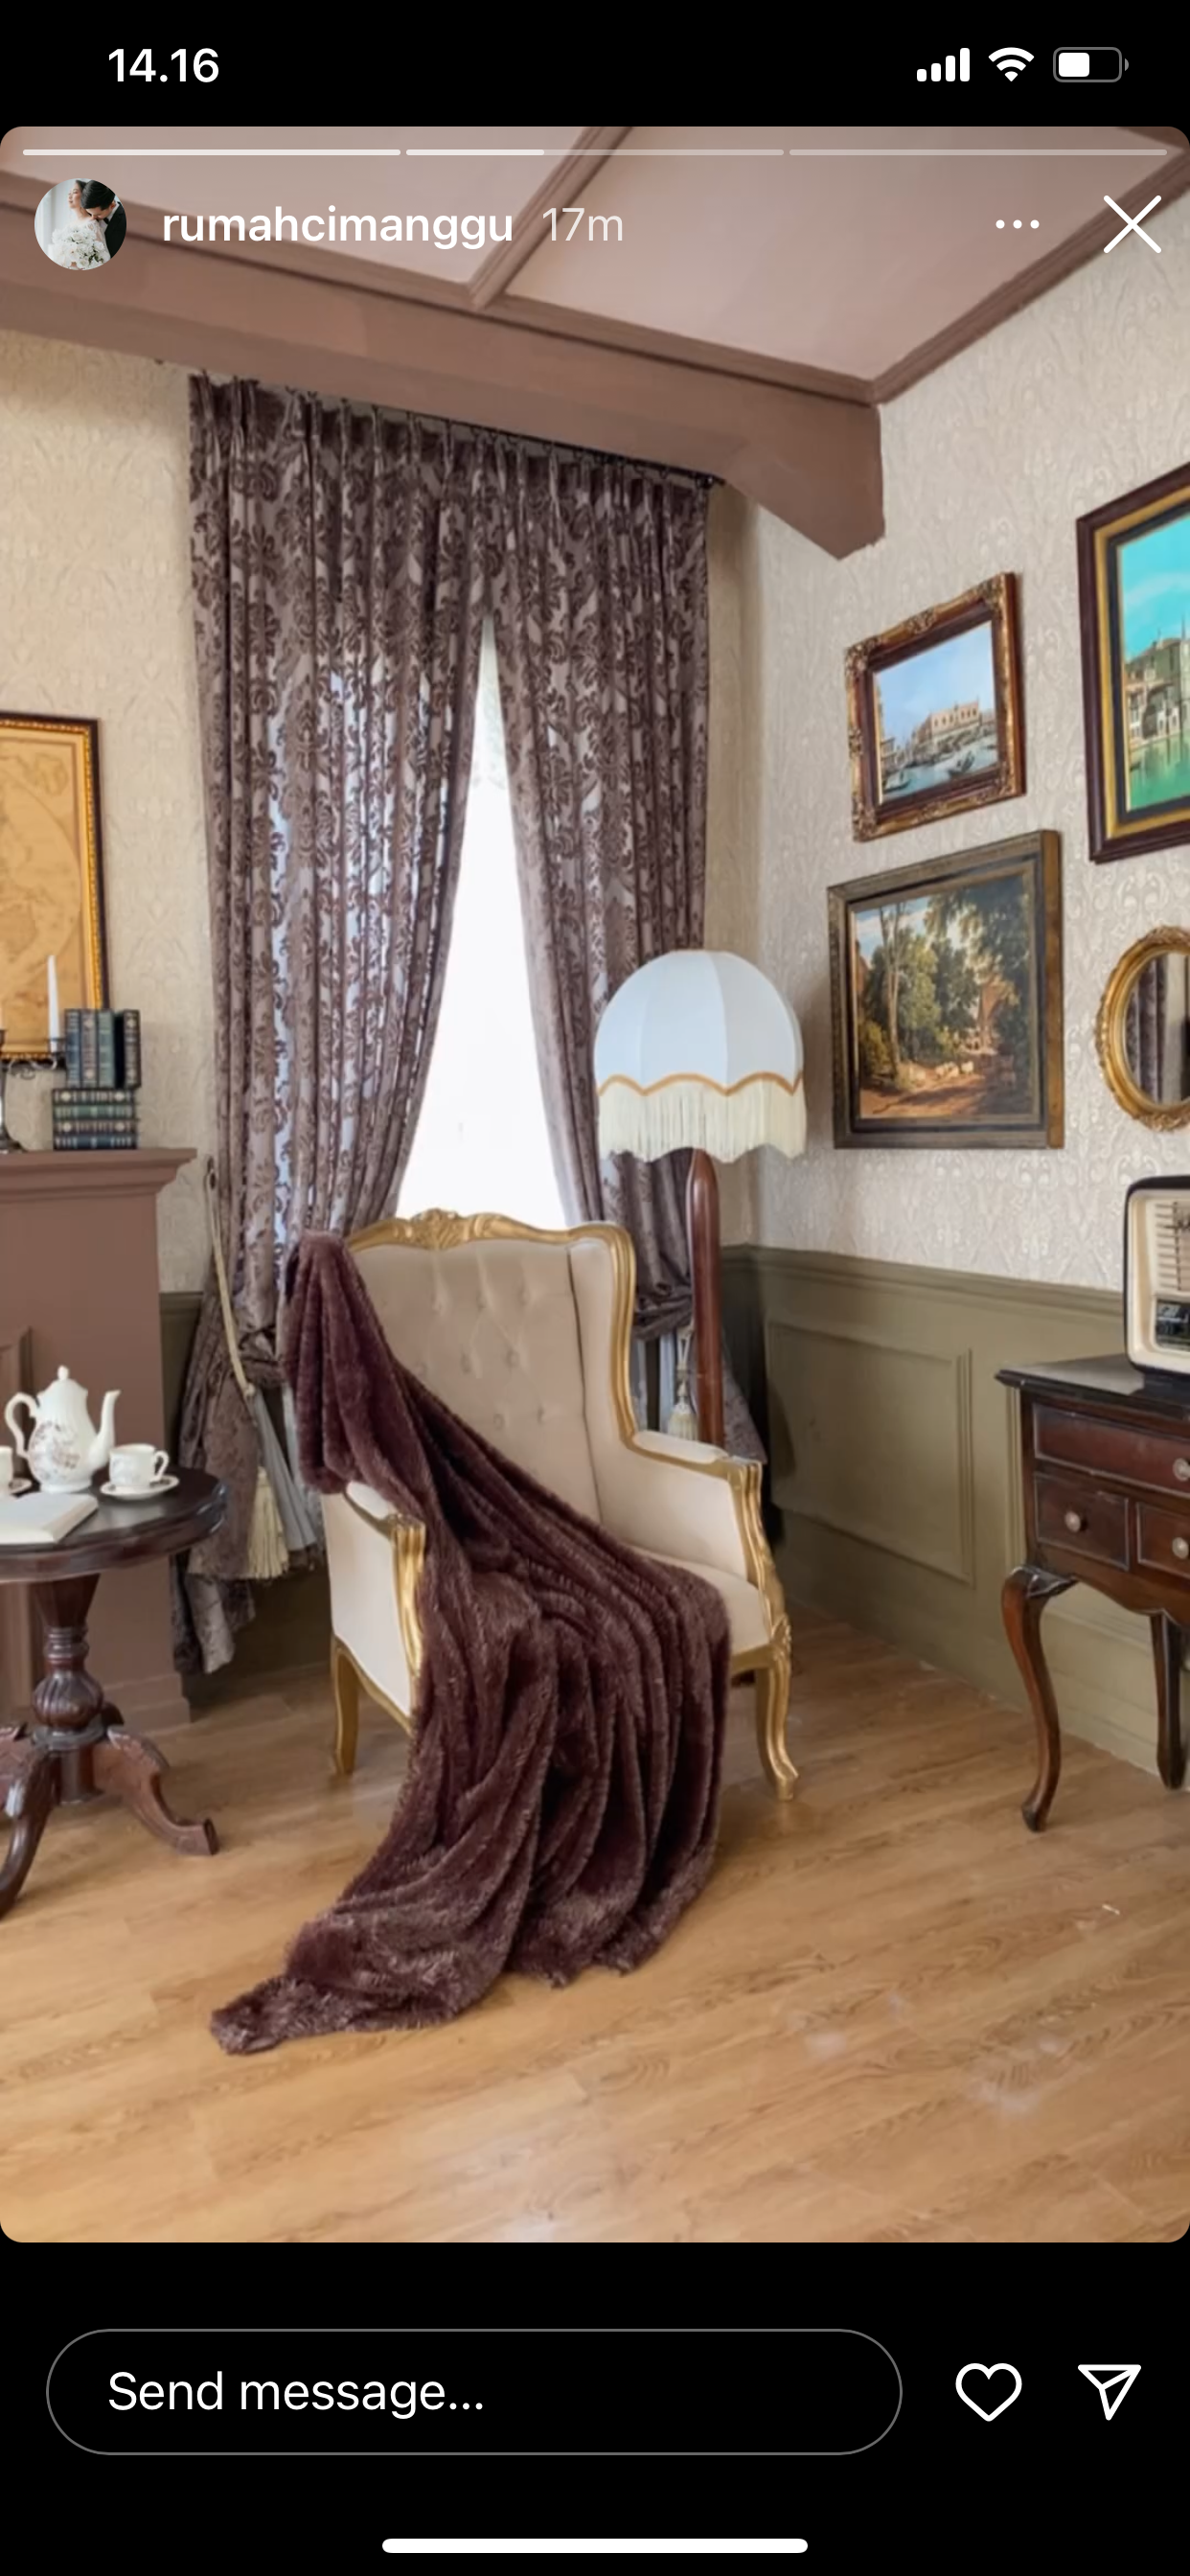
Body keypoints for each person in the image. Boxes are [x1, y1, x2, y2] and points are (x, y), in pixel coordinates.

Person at [44, 180, 124, 270]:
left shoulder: (92, 223)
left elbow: (102, 257)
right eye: (69, 192)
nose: (69, 195)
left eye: (75, 192)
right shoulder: (69, 224)